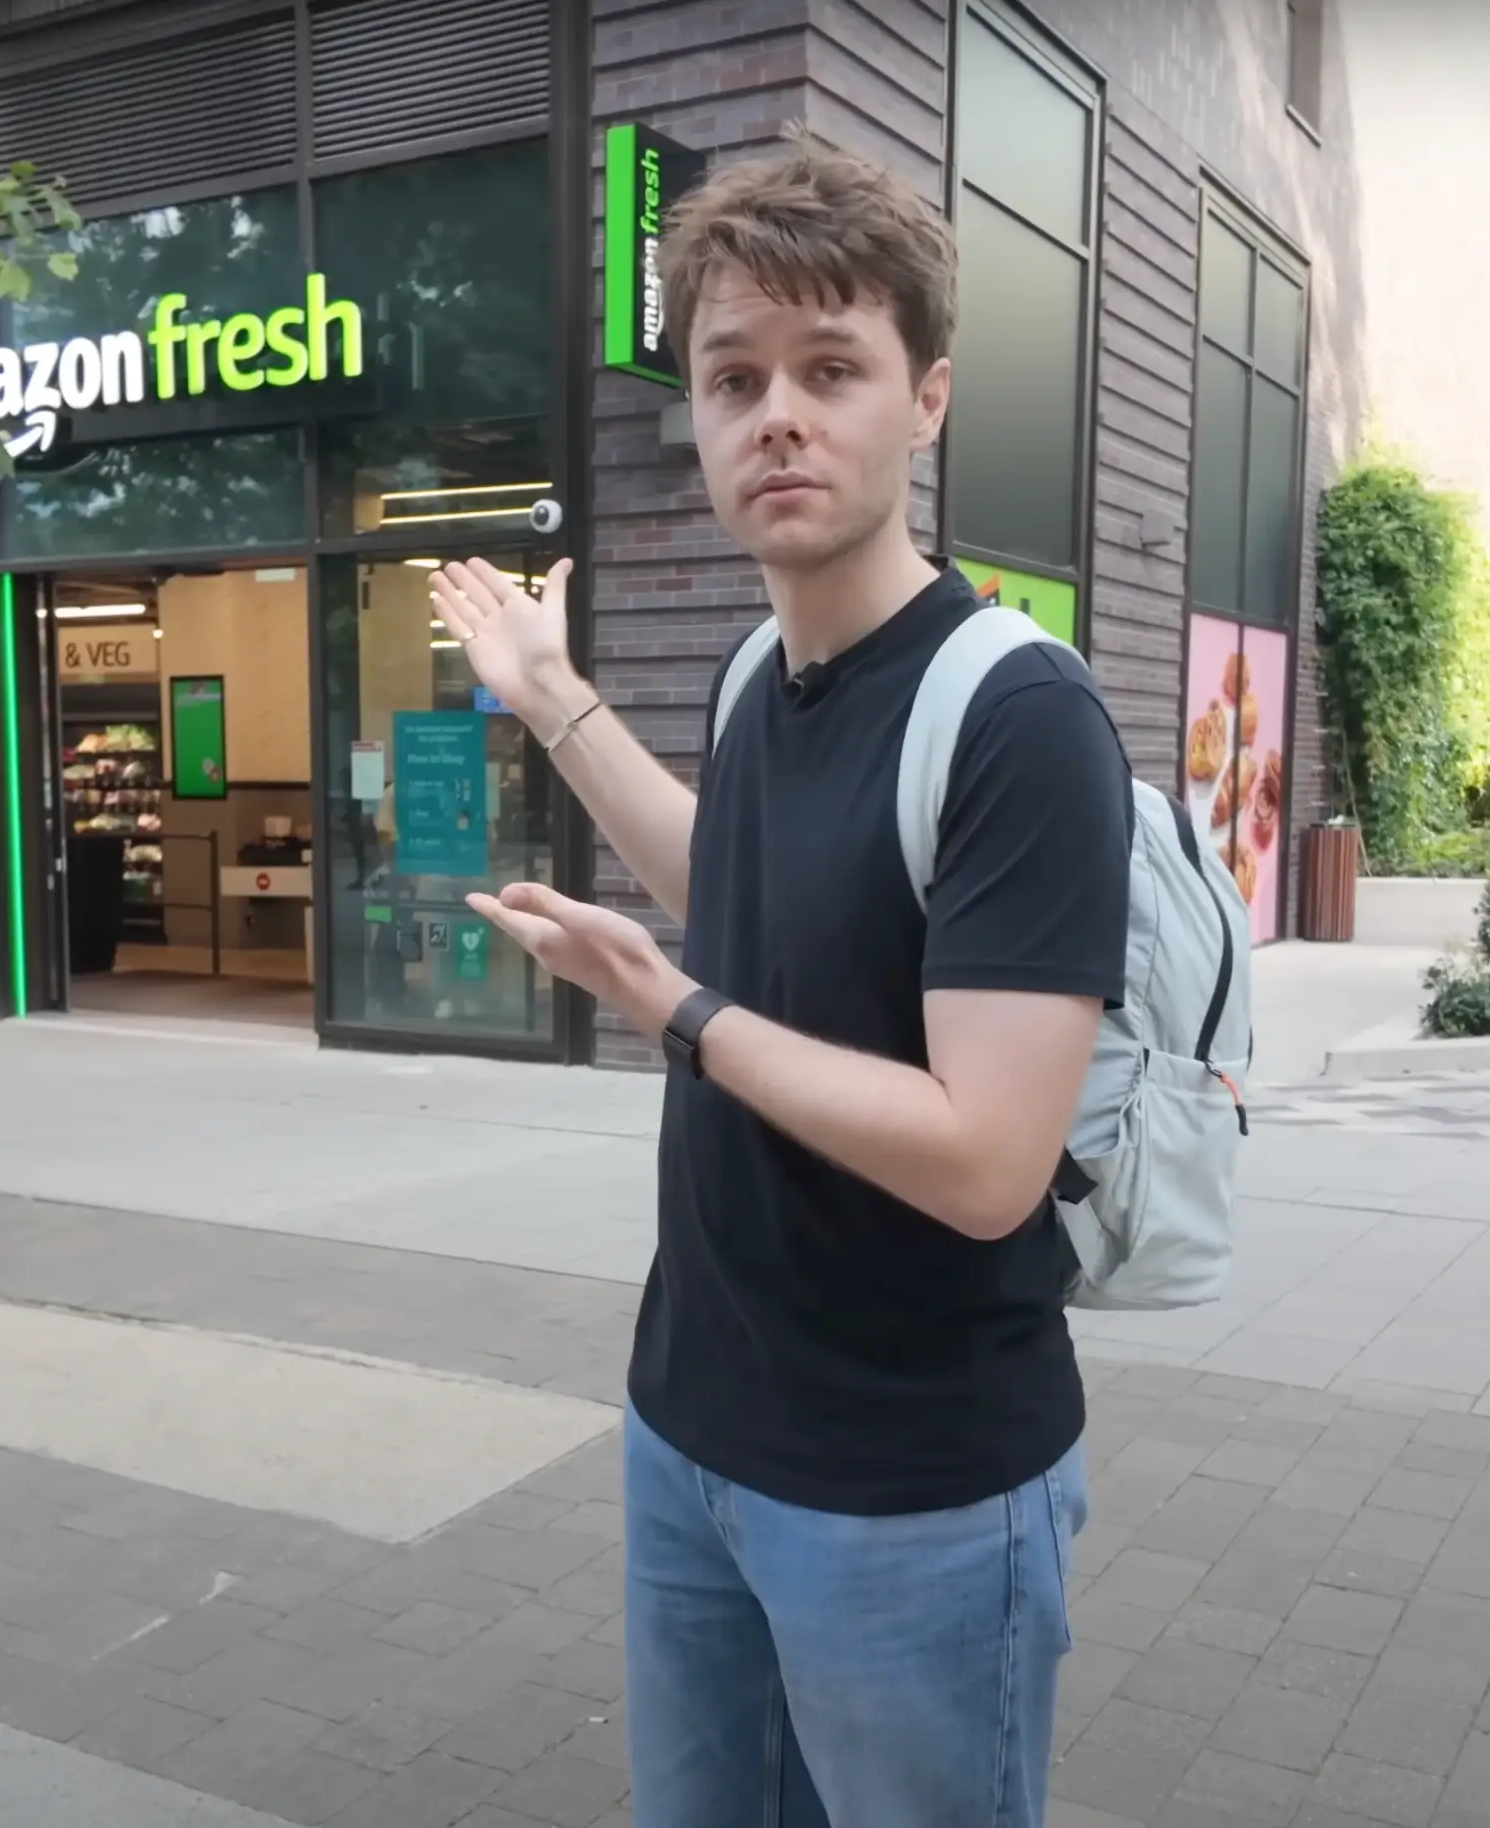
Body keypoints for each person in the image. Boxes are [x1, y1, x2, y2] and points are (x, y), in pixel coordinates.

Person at [429, 127, 1130, 1827]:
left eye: (833, 367)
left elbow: (985, 1160)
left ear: (930, 398)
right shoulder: (760, 667)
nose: (779, 416)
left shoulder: (1020, 718)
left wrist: (674, 1009)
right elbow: (733, 886)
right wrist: (553, 697)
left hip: (912, 1492)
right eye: (734, 376)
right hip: (695, 1431)